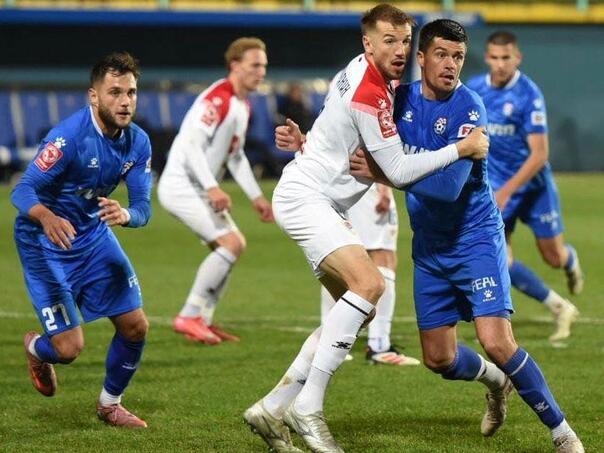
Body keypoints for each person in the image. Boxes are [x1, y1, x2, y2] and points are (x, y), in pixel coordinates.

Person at [243, 5, 489, 452]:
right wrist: (461, 148)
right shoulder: (371, 92)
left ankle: (273, 407)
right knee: (370, 283)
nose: (399, 50)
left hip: (317, 196)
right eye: (388, 41)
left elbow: (338, 126)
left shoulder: (363, 71)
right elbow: (397, 170)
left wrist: (307, 141)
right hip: (307, 199)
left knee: (359, 307)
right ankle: (308, 408)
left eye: (405, 41)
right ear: (367, 44)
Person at [351, 19, 584, 453]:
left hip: (474, 239)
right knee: (438, 358)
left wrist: (385, 174)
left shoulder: (468, 107)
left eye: (458, 56)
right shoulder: (399, 100)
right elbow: (354, 136)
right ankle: (496, 383)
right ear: (421, 58)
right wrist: (307, 140)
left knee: (497, 341)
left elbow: (447, 188)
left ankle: (562, 432)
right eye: (441, 54)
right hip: (430, 246)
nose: (450, 64)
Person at [11, 52, 151, 428]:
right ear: (94, 96)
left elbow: (143, 207)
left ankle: (110, 405)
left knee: (135, 325)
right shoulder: (69, 138)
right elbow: (22, 189)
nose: (125, 101)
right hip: (44, 243)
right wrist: (46, 216)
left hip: (92, 236)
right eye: (115, 92)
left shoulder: (138, 143)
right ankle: (35, 348)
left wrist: (126, 215)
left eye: (131, 92)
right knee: (69, 349)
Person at [466, 31, 582, 342]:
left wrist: (507, 191)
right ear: (487, 57)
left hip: (533, 187)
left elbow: (540, 154)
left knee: (553, 257)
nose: (500, 64)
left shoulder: (528, 95)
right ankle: (559, 307)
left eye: (506, 58)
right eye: (494, 57)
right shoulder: (475, 90)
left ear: (517, 58)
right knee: (500, 259)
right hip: (495, 189)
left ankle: (570, 260)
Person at [157, 37, 274, 345]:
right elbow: (192, 144)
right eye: (255, 65)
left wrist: (256, 197)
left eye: (264, 66)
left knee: (233, 246)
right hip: (182, 184)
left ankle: (203, 320)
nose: (261, 72)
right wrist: (212, 187)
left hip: (198, 186)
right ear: (235, 65)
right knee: (231, 244)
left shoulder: (242, 104)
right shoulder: (218, 99)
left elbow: (235, 156)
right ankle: (189, 315)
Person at [320, 183, 420, 366]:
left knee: (339, 259)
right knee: (383, 256)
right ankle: (379, 346)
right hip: (366, 183)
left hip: (335, 183)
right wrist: (383, 188)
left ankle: (327, 342)